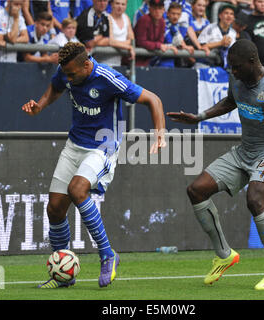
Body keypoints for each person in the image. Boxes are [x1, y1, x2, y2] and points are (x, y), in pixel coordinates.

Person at [21, 41, 166, 289]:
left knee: (77, 190)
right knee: (55, 208)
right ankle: (63, 275)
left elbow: (153, 99)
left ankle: (108, 254)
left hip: (103, 147)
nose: (68, 78)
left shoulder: (109, 78)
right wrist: (40, 106)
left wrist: (160, 132)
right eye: (65, 73)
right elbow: (55, 87)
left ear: (87, 65)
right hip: (74, 144)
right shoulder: (67, 71)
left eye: (72, 74)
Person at [167, 39, 264, 290]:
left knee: (254, 200)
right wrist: (199, 117)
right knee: (196, 190)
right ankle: (224, 255)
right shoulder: (238, 80)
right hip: (243, 152)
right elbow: (230, 101)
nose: (233, 71)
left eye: (237, 66)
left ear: (253, 62)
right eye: (231, 67)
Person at [195, 3, 237, 69]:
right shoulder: (210, 28)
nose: (229, 16)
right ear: (220, 16)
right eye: (226, 13)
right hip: (206, 66)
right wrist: (220, 43)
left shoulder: (233, 32)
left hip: (224, 69)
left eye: (231, 14)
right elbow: (201, 46)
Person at [155, 2, 193, 67]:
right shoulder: (162, 24)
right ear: (168, 14)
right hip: (158, 60)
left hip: (170, 61)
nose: (175, 16)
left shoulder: (176, 26)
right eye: (173, 13)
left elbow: (179, 41)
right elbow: (167, 41)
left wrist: (185, 46)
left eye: (178, 14)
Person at [134, 0, 169, 66]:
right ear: (150, 9)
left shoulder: (162, 21)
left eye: (160, 8)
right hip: (136, 58)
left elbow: (160, 41)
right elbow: (141, 42)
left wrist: (158, 45)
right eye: (155, 8)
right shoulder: (144, 19)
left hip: (150, 58)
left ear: (163, 10)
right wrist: (158, 45)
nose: (157, 11)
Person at [104, 0, 136, 66]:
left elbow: (131, 40)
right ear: (112, 4)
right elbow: (110, 41)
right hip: (103, 61)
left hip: (118, 63)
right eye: (117, 3)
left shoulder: (126, 18)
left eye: (123, 4)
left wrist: (118, 43)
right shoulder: (107, 18)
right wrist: (128, 47)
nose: (120, 6)